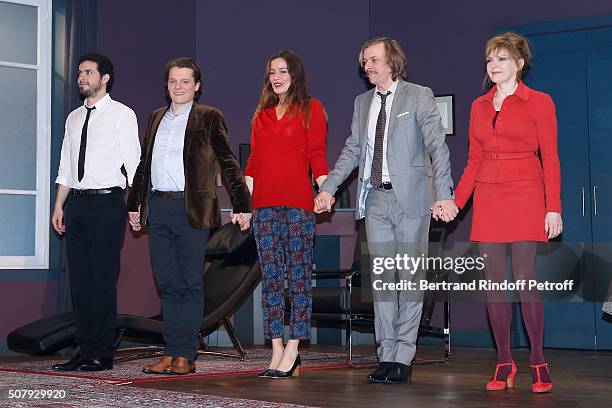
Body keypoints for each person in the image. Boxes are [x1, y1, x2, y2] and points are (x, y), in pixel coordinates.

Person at [315, 37, 456, 384]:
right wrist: (329, 188)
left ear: (391, 62)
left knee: (408, 279)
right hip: (374, 199)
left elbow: (438, 148)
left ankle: (404, 357)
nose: (368, 67)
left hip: (412, 200)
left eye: (374, 60)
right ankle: (385, 353)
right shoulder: (362, 102)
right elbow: (352, 150)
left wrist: (445, 194)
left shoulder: (418, 95)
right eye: (365, 62)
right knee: (381, 281)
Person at [127, 57, 251, 375]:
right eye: (172, 81)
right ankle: (170, 352)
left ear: (196, 86)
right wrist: (134, 204)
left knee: (189, 283)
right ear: (166, 86)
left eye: (184, 81)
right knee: (167, 283)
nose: (178, 87)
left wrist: (242, 204)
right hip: (159, 207)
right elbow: (144, 164)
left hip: (191, 210)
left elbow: (228, 162)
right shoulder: (156, 117)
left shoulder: (209, 116)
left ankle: (186, 354)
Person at [454, 32, 562, 393]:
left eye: (501, 59)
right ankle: (503, 360)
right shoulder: (478, 105)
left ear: (519, 63)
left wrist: (554, 208)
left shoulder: (539, 102)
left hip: (527, 193)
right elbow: (473, 161)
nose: (494, 66)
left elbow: (551, 159)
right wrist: (456, 202)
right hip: (488, 196)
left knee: (526, 281)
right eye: (489, 60)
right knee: (494, 285)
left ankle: (538, 360)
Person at [51, 53, 141, 371]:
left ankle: (102, 353)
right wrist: (59, 205)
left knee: (102, 280)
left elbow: (134, 164)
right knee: (80, 282)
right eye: (79, 72)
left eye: (88, 72)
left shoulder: (122, 114)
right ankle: (84, 348)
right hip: (75, 204)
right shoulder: (73, 118)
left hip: (107, 204)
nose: (81, 77)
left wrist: (136, 205)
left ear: (105, 78)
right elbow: (65, 166)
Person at [245, 50, 329, 379]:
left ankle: (295, 346)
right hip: (264, 207)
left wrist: (326, 190)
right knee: (271, 281)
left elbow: (317, 155)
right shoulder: (261, 115)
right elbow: (252, 164)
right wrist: (243, 203)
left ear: (295, 74)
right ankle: (276, 346)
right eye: (271, 73)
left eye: (282, 71)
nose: (276, 77)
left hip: (298, 205)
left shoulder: (312, 108)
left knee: (297, 279)